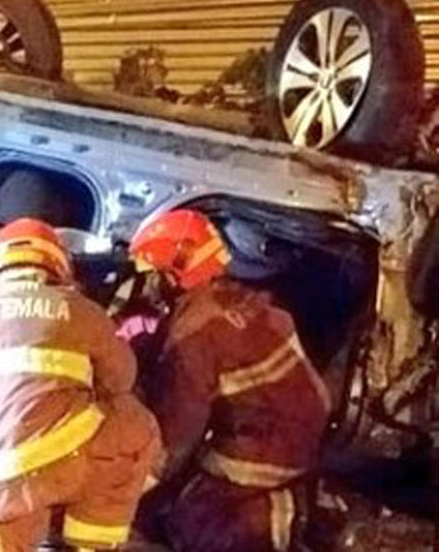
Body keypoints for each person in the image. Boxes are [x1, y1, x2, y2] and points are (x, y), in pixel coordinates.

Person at [0, 217, 161, 551]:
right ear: (57, 264)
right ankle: (88, 543)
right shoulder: (80, 312)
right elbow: (121, 380)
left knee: (19, 500)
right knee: (134, 427)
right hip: (40, 468)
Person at [127, 209, 331, 552]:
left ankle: (285, 518)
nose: (150, 285)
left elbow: (177, 439)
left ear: (175, 275)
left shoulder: (194, 336)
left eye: (155, 274)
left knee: (188, 519)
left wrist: (129, 492)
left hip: (267, 446)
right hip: (305, 430)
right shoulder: (247, 302)